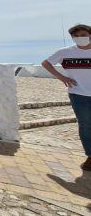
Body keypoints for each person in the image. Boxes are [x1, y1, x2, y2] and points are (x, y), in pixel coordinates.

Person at [41, 23, 91, 171]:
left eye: (83, 35)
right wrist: (62, 78)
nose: (80, 38)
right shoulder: (66, 52)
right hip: (78, 94)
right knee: (86, 125)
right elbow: (46, 63)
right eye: (76, 36)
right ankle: (90, 156)